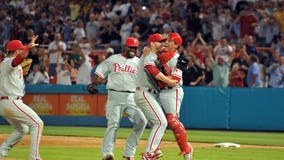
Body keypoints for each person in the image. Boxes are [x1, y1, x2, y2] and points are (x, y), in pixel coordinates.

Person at [92, 37, 147, 160]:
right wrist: (94, 83)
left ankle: (129, 151)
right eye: (130, 47)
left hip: (132, 96)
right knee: (113, 124)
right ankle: (107, 153)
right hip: (114, 96)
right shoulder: (113, 59)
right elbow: (100, 72)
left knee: (142, 121)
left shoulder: (139, 62)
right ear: (125, 47)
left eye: (135, 47)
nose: (132, 49)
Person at [134, 33, 178, 159]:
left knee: (157, 122)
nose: (163, 43)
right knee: (161, 122)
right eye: (160, 41)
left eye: (164, 41)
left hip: (149, 93)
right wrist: (169, 81)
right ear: (152, 43)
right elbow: (152, 69)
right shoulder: (149, 54)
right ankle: (148, 154)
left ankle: (155, 150)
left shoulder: (154, 55)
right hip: (144, 92)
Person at [0, 36, 44, 160]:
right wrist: (28, 47)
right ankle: (34, 157)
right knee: (38, 123)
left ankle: (1, 152)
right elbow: (19, 59)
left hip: (6, 102)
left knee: (22, 129)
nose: (22, 51)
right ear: (17, 50)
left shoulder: (5, 63)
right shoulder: (9, 62)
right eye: (20, 49)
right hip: (11, 101)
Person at [157, 32, 193, 160]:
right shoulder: (160, 55)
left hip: (173, 91)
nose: (167, 43)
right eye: (166, 40)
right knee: (157, 120)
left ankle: (186, 148)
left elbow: (175, 80)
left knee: (172, 121)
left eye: (170, 41)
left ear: (177, 45)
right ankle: (155, 149)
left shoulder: (177, 59)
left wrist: (158, 78)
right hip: (161, 91)